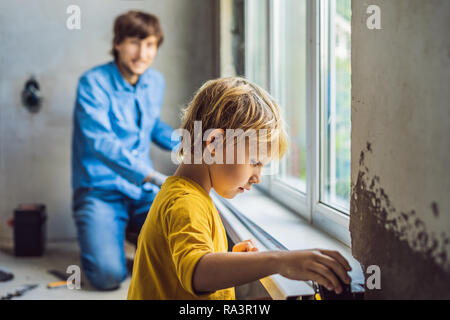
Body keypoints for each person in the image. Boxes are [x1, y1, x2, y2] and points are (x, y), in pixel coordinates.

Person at [127, 77, 352, 300]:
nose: (258, 177)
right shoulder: (185, 203)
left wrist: (226, 259)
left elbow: (187, 269)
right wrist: (280, 261)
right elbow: (197, 272)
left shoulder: (187, 194)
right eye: (255, 161)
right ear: (214, 144)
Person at [71, 11, 179, 290]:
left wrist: (191, 146)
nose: (142, 53)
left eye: (150, 44)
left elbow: (151, 126)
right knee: (107, 277)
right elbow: (102, 141)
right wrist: (152, 176)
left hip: (141, 192)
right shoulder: (92, 83)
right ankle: (112, 245)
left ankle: (134, 235)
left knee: (180, 247)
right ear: (118, 43)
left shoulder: (155, 82)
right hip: (101, 191)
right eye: (134, 42)